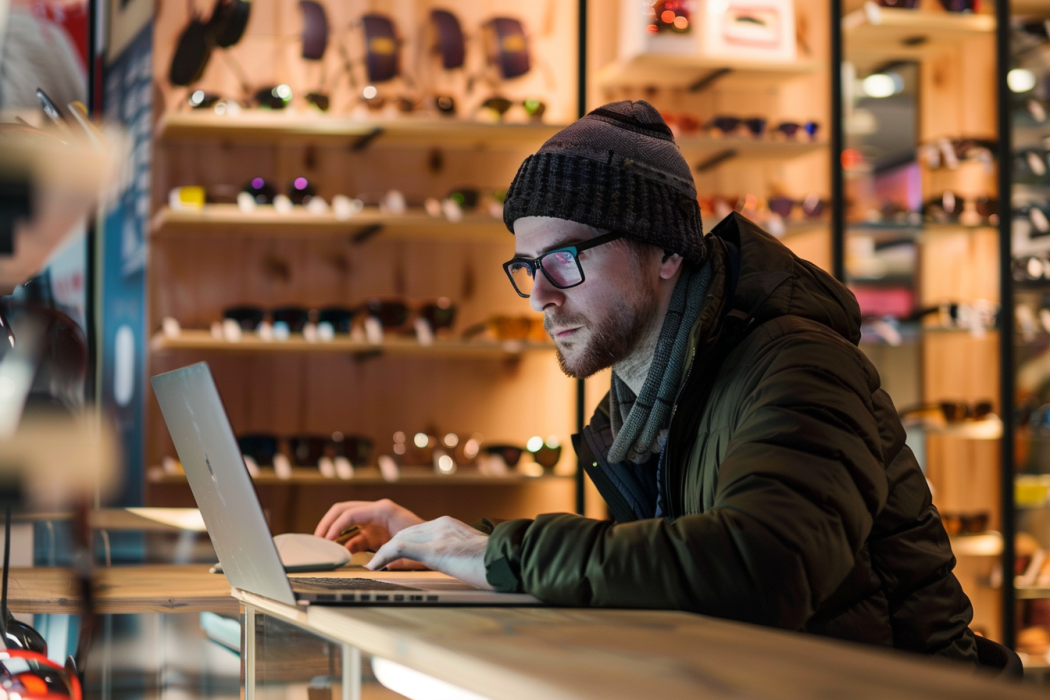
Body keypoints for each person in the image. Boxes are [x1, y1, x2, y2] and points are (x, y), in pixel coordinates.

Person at [315, 101, 977, 662]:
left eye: (564, 259)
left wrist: (493, 552)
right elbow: (663, 567)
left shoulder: (797, 365)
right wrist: (444, 539)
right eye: (526, 266)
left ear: (665, 251)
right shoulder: (642, 403)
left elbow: (761, 568)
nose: (540, 294)